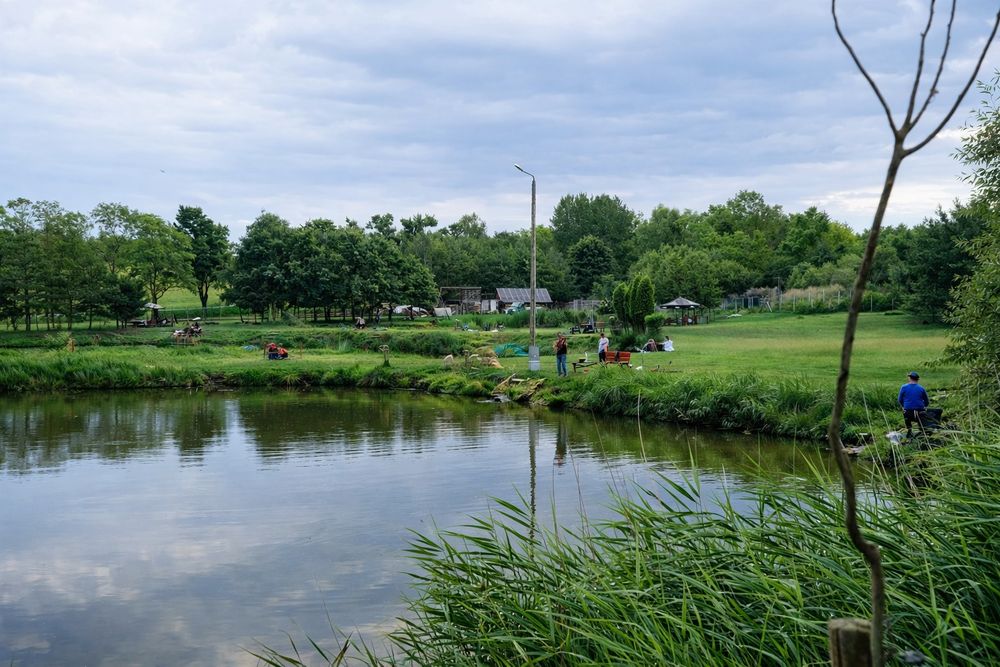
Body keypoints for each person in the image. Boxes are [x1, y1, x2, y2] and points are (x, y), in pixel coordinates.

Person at [898, 371, 929, 437]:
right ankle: (922, 430)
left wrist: (903, 406)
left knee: (906, 415)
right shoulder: (921, 388)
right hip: (920, 410)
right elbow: (926, 401)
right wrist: (925, 406)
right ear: (917, 379)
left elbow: (900, 400)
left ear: (909, 378)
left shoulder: (904, 387)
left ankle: (909, 430)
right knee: (921, 420)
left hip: (908, 411)